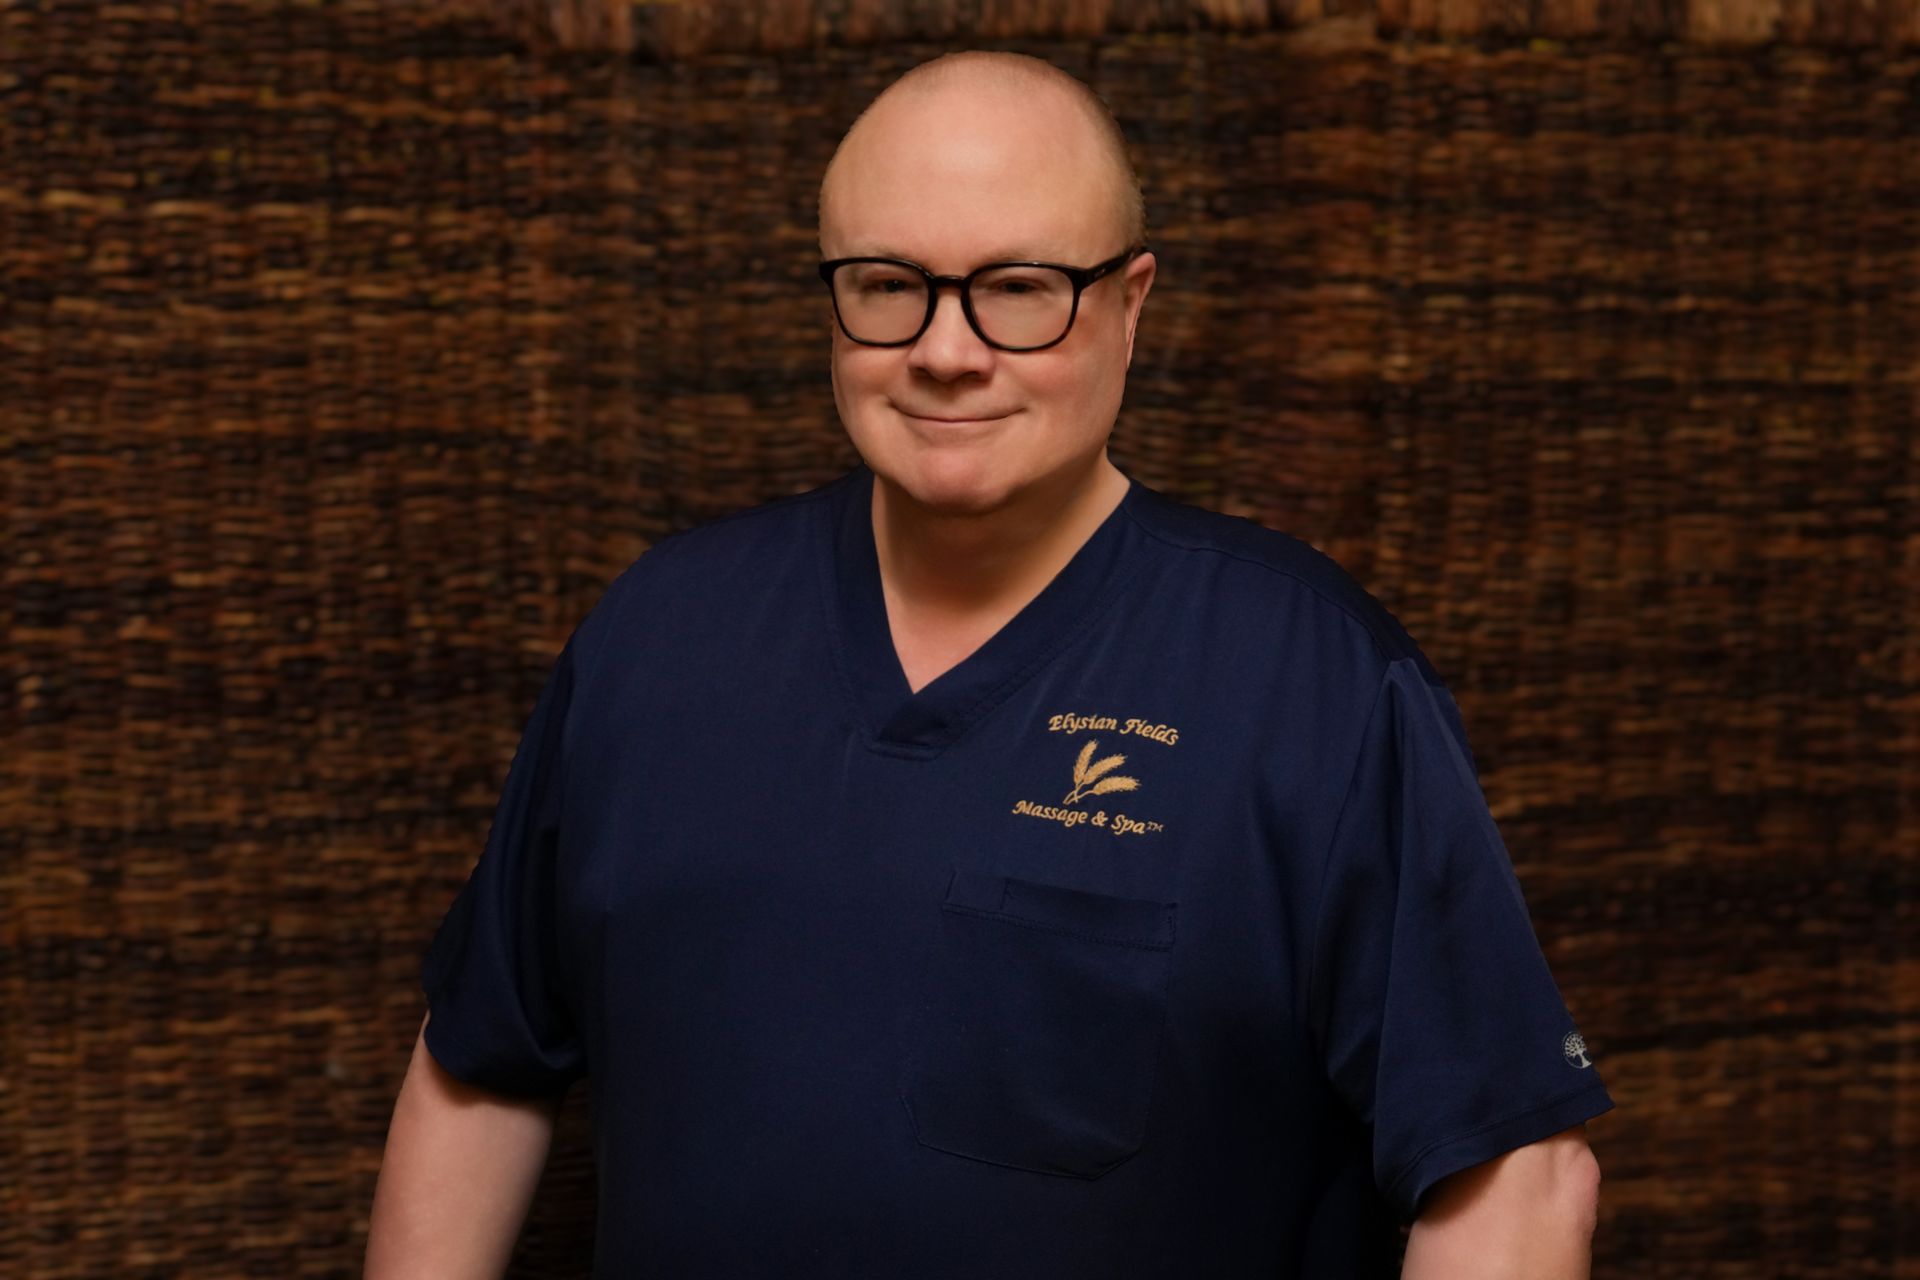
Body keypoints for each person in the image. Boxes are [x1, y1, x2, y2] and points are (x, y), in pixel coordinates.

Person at [365, 50, 1613, 1278]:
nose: (947, 350)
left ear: (1131, 304)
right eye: (889, 284)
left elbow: (1517, 1173)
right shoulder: (660, 636)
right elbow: (478, 1068)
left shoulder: (1308, 678)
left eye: (1019, 288)